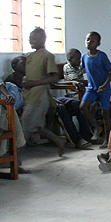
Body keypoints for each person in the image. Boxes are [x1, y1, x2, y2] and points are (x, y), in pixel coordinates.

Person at [21, 28, 66, 156]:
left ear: (43, 39)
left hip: (39, 96)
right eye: (30, 38)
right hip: (29, 95)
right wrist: (26, 80)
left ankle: (16, 158)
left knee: (25, 124)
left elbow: (54, 77)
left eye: (34, 38)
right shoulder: (29, 55)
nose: (31, 40)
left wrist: (33, 83)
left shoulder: (47, 55)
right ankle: (58, 140)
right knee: (36, 126)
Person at [79, 31, 111, 147]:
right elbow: (84, 71)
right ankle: (96, 127)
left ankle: (107, 140)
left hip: (103, 89)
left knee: (105, 114)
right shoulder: (84, 56)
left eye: (92, 40)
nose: (89, 42)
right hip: (91, 89)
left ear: (98, 43)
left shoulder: (102, 56)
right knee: (83, 107)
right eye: (87, 39)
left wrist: (105, 85)